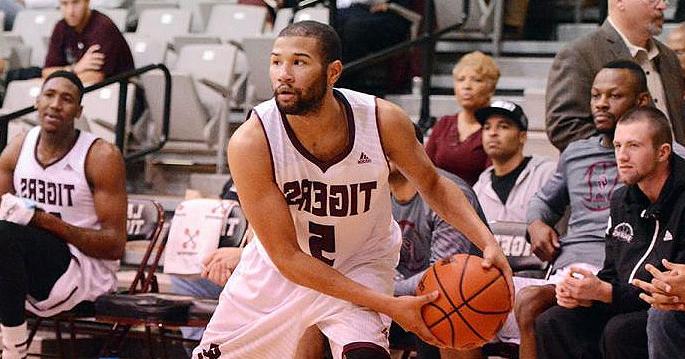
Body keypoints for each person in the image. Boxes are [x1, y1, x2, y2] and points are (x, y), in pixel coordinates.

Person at [192, 21, 512, 359]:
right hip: (280, 274)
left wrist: (487, 242)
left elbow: (433, 184)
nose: (284, 74)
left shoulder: (382, 120)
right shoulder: (251, 142)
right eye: (276, 62)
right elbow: (287, 257)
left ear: (333, 73)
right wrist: (390, 306)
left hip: (361, 261)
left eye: (299, 62)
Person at [516, 60, 651, 359]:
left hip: (612, 266)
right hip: (565, 263)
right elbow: (543, 201)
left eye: (613, 96)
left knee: (530, 303)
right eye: (595, 95)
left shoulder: (663, 155)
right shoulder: (576, 152)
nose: (601, 104)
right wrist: (536, 223)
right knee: (460, 298)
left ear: (641, 100)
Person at [535, 106, 683, 359]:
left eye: (633, 146)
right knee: (555, 321)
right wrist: (584, 292)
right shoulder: (621, 199)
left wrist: (606, 292)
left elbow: (671, 288)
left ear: (662, 152)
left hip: (670, 308)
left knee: (622, 331)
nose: (622, 156)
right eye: (617, 146)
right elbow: (613, 272)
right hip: (628, 302)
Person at [0, 70, 127, 359]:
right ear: (37, 102)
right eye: (49, 95)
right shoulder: (18, 147)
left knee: (5, 235)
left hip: (82, 269)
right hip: (28, 267)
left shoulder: (101, 156)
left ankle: (13, 350)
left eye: (66, 99)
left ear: (78, 111)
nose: (56, 104)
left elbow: (114, 245)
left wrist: (41, 220)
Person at [389, 125, 487, 359]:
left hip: (469, 297)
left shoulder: (448, 191)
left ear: (416, 149)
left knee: (447, 303)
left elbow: (443, 277)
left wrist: (380, 290)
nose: (384, 153)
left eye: (391, 145)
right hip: (400, 295)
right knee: (325, 308)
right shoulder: (371, 193)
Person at [545, 0, 683, 152]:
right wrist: (629, 156)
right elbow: (565, 127)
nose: (662, 6)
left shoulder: (669, 56)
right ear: (620, 2)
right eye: (652, 0)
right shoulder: (580, 53)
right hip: (610, 172)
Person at [473, 100, 556, 261]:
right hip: (493, 277)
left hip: (541, 277)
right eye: (487, 127)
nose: (493, 133)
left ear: (522, 136)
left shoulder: (548, 173)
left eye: (503, 126)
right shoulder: (479, 187)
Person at [425, 51, 497, 186]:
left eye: (477, 80)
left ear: (491, 88)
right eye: (461, 79)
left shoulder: (494, 128)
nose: (467, 86)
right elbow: (425, 168)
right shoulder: (444, 123)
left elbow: (493, 179)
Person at [43, 0, 134, 84]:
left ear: (87, 2)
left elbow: (94, 77)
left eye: (76, 2)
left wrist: (57, 79)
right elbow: (46, 72)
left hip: (118, 90)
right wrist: (74, 68)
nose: (70, 11)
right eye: (64, 4)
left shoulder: (103, 27)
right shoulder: (61, 27)